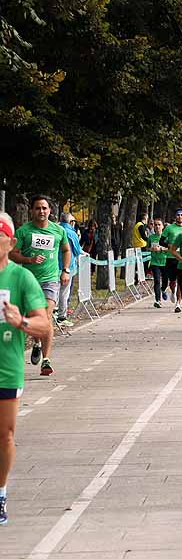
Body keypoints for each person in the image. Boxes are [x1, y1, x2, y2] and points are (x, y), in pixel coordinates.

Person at [0, 211, 53, 526]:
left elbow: (44, 324)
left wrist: (21, 321)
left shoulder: (21, 278)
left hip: (6, 366)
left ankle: (1, 491)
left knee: (5, 434)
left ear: (10, 242)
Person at [11, 196, 70, 376]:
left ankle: (46, 359)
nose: (41, 211)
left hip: (50, 280)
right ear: (32, 211)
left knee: (46, 316)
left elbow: (66, 250)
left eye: (44, 208)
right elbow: (13, 253)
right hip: (29, 280)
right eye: (38, 208)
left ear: (50, 211)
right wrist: (29, 259)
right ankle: (36, 342)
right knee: (34, 316)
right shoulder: (24, 231)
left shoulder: (58, 230)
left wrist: (65, 270)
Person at [57, 213, 82, 326]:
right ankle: (61, 317)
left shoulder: (55, 230)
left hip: (53, 266)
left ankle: (52, 312)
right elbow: (77, 250)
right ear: (71, 222)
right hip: (67, 267)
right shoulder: (71, 233)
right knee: (64, 292)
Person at [161, 209, 182, 310]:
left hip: (181, 258)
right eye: (178, 215)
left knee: (181, 281)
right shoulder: (169, 228)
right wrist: (169, 245)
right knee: (172, 280)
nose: (180, 217)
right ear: (175, 217)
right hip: (171, 257)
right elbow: (161, 241)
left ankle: (178, 303)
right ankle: (172, 290)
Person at [146, 218, 168, 308]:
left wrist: (162, 249)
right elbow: (147, 247)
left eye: (159, 224)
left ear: (163, 226)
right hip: (155, 262)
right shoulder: (151, 237)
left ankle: (163, 290)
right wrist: (152, 249)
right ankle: (158, 300)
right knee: (157, 281)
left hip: (165, 262)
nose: (157, 226)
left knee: (165, 281)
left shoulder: (166, 238)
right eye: (155, 225)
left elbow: (170, 248)